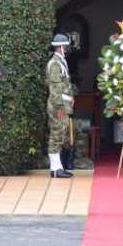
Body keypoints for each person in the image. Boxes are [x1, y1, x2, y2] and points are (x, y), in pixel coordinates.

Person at [47, 34, 74, 178]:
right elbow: (55, 88)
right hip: (58, 105)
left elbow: (65, 85)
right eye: (66, 46)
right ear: (62, 47)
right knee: (56, 134)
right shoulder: (55, 64)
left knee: (60, 133)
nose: (68, 49)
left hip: (63, 103)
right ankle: (55, 168)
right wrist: (60, 107)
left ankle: (57, 167)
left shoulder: (61, 62)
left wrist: (70, 99)